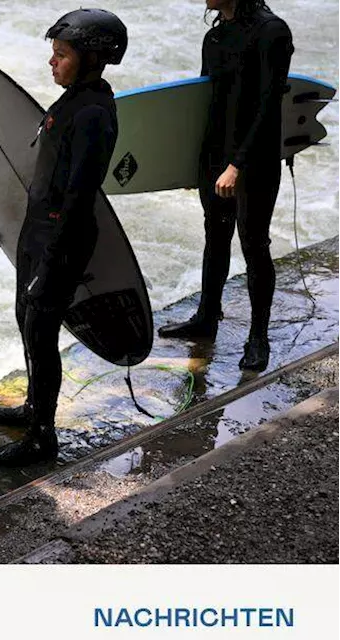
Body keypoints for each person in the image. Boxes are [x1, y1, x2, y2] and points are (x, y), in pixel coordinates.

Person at [0, 9, 127, 467]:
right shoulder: (71, 101)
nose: (52, 63)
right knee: (27, 319)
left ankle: (43, 436)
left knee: (42, 332)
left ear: (91, 60)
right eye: (54, 54)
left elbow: (80, 196)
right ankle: (32, 407)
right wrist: (1, 220)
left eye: (61, 55)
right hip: (37, 231)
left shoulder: (92, 114)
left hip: (62, 239)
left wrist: (52, 261)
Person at [156, 0, 293, 373]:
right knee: (215, 236)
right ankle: (206, 318)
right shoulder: (214, 37)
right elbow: (203, 105)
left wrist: (238, 164)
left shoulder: (272, 32)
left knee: (253, 242)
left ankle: (258, 336)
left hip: (255, 160)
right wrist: (187, 165)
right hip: (214, 156)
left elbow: (268, 109)